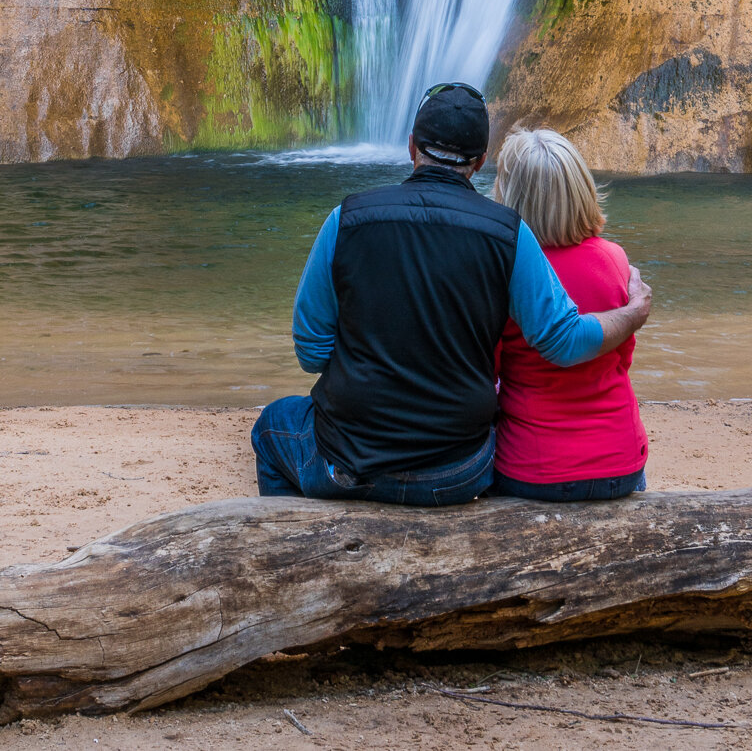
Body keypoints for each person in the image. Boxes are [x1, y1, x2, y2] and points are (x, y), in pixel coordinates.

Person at [251, 83, 651, 506]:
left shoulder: (345, 220)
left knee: (271, 426)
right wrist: (633, 312)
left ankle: (295, 538)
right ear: (479, 162)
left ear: (411, 148)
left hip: (347, 460)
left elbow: (311, 354)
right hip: (459, 472)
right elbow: (564, 340)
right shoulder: (509, 235)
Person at [490, 125, 652, 501]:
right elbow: (622, 357)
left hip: (532, 467)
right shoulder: (615, 260)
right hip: (621, 463)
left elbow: (490, 371)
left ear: (510, 196)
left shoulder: (503, 269)